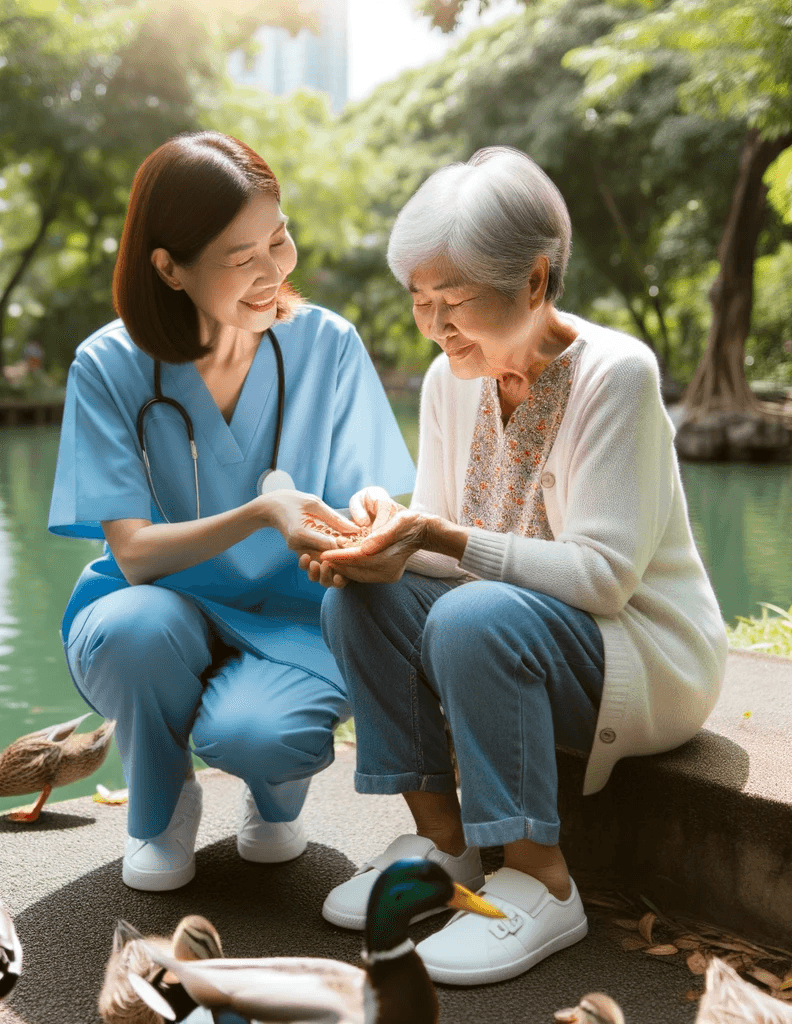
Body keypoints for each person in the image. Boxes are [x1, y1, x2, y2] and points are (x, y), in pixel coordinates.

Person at [302, 147, 727, 985]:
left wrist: (444, 539)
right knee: (357, 604)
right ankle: (444, 845)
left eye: (454, 300)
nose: (435, 324)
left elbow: (604, 578)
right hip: (509, 639)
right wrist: (380, 549)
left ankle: (539, 880)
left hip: (642, 656)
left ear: (535, 282)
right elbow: (435, 550)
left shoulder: (619, 376)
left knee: (472, 613)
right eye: (421, 301)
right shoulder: (446, 380)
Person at [47, 131, 415, 892]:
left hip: (296, 612)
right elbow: (136, 553)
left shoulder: (329, 346)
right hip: (155, 602)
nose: (273, 271)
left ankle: (275, 800)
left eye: (278, 240)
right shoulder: (109, 366)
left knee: (257, 734)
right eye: (240, 258)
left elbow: (363, 499)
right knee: (135, 632)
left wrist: (371, 518)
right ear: (170, 268)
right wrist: (261, 512)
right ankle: (160, 804)